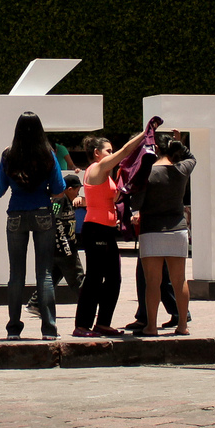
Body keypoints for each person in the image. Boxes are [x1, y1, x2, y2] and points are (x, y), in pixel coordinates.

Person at [0, 114, 66, 340]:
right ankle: (49, 329)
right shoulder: (48, 155)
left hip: (16, 213)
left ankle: (13, 328)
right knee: (44, 273)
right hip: (44, 212)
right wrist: (53, 213)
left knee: (16, 274)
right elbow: (58, 190)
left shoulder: (9, 155)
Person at [76, 131, 148, 333]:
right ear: (97, 153)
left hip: (106, 230)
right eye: (109, 151)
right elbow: (125, 151)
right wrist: (145, 134)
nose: (112, 153)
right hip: (95, 229)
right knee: (94, 277)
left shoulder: (106, 175)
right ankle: (82, 325)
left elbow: (114, 199)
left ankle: (103, 322)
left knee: (114, 278)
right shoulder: (96, 168)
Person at [135, 135, 197, 336]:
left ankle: (151, 326)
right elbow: (192, 158)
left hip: (151, 230)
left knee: (153, 282)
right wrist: (180, 145)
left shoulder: (147, 173)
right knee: (179, 281)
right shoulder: (181, 169)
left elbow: (136, 203)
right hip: (177, 229)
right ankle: (182, 326)